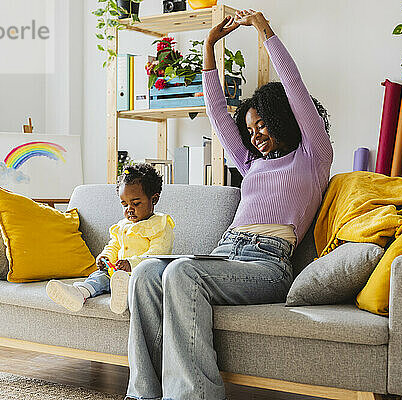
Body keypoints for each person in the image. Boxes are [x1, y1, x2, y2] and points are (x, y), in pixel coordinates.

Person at [124, 9, 333, 400]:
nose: (255, 136)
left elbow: (295, 88)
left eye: (262, 126)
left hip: (267, 264)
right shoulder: (249, 163)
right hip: (226, 254)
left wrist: (264, 29)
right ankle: (143, 395)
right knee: (147, 273)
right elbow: (218, 114)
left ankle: (192, 396)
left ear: (283, 119)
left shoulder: (313, 155)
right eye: (250, 130)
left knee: (181, 273)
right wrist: (208, 45)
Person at [46, 163, 175, 315]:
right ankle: (80, 293)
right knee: (99, 276)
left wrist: (131, 264)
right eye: (124, 204)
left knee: (127, 280)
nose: (129, 209)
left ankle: (122, 296)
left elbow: (158, 253)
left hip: (143, 275)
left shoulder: (161, 224)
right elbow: (113, 245)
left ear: (154, 199)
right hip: (117, 272)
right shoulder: (123, 225)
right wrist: (105, 257)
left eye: (136, 203)